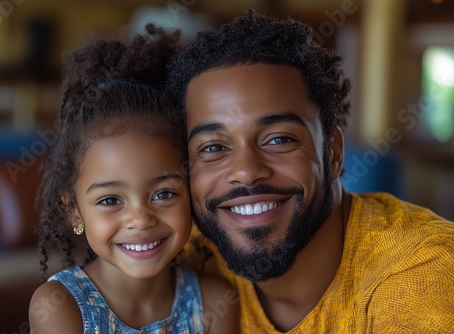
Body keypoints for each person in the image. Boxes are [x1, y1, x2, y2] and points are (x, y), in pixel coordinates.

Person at [166, 10, 454, 333]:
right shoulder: (182, 254)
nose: (246, 172)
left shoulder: (423, 272)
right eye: (213, 148)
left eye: (279, 139)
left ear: (333, 154)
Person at [28, 26, 238, 334]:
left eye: (163, 194)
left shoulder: (215, 303)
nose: (140, 219)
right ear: (74, 210)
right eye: (111, 200)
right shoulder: (59, 307)